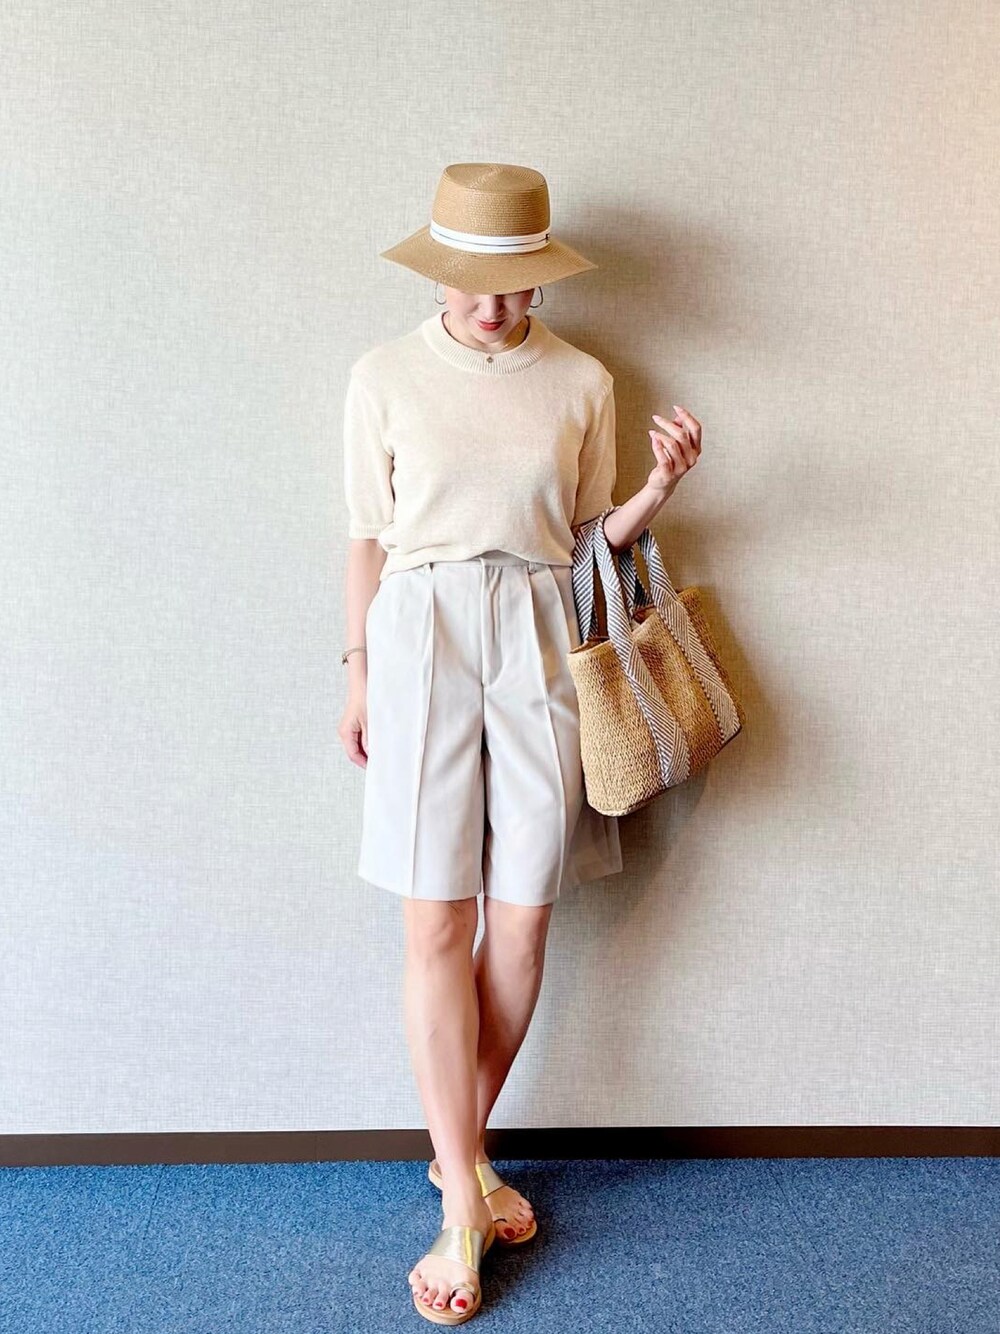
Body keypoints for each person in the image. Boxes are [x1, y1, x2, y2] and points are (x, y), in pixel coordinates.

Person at [337, 163, 701, 1324]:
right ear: (438, 273)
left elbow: (589, 541)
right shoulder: (383, 375)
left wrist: (658, 488)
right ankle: (463, 1194)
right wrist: (358, 668)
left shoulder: (582, 380)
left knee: (523, 915)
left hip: (543, 629)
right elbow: (366, 536)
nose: (492, 307)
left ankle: (462, 1157)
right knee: (434, 917)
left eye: (514, 285)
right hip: (422, 627)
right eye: (471, 283)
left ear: (542, 278)